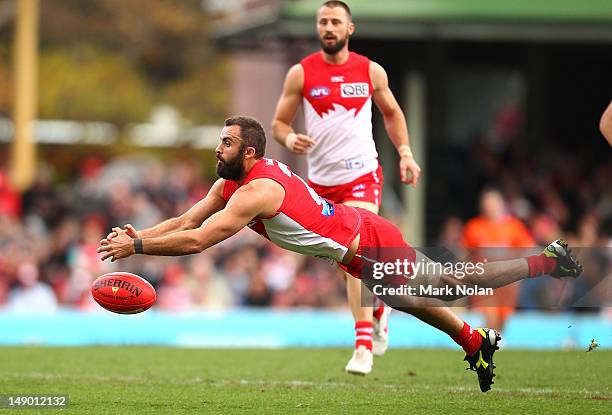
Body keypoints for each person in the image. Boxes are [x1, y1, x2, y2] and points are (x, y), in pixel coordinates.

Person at [99, 116, 583, 392]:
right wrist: (136, 233)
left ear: (249, 152)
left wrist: (137, 247)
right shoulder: (231, 183)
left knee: (454, 284)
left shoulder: (256, 192)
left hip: (369, 240)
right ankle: (475, 343)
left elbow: (198, 241)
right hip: (355, 251)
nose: (217, 148)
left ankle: (549, 260)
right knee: (411, 301)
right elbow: (186, 220)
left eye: (226, 142)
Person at [271, 0, 421, 374]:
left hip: (362, 176)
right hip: (321, 184)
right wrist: (290, 141)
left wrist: (405, 153)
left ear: (349, 28)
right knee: (348, 262)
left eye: (336, 21)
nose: (328, 27)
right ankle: (381, 306)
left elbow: (392, 113)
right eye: (323, 21)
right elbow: (278, 123)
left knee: (363, 252)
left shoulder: (370, 71)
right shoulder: (300, 73)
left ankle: (362, 345)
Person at [462, 188, 535, 331]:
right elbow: (465, 254)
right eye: (487, 203)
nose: (490, 206)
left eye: (493, 203)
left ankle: (495, 338)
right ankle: (488, 338)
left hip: (507, 281)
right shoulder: (474, 227)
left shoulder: (514, 227)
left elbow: (527, 248)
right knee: (488, 311)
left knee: (504, 315)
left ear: (501, 204)